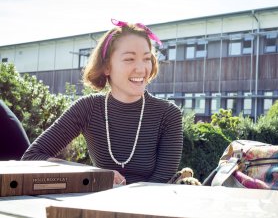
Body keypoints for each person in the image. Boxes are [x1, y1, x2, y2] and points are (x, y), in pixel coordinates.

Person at [22, 19, 183, 185]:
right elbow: (32, 157)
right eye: (129, 59)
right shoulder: (88, 108)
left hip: (146, 207)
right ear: (106, 67)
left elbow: (160, 184)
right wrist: (94, 173)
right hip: (97, 205)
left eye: (147, 59)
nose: (141, 69)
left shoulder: (168, 114)